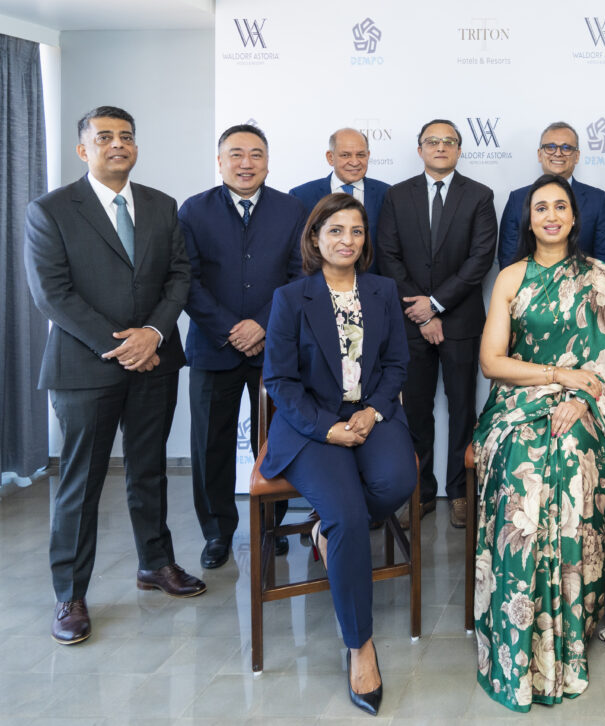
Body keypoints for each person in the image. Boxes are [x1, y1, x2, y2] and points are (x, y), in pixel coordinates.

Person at [24, 106, 206, 646]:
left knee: (148, 470)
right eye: (104, 138)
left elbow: (179, 276)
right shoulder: (51, 210)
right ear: (84, 150)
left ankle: (156, 563)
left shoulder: (160, 205)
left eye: (126, 136)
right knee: (80, 485)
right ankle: (70, 594)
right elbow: (53, 296)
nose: (118, 145)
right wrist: (124, 347)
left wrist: (153, 333)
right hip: (85, 368)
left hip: (157, 360)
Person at [473, 174, 605, 712]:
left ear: (575, 219)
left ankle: (571, 634)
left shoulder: (597, 275)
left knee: (572, 455)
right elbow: (492, 363)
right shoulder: (510, 277)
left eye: (560, 207)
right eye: (540, 208)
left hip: (588, 404)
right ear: (528, 221)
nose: (551, 215)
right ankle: (519, 627)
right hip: (519, 403)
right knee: (523, 462)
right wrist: (558, 378)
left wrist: (586, 399)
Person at [260, 193, 417, 715]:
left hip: (370, 414)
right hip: (312, 426)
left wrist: (371, 413)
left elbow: (397, 362)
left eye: (355, 231)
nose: (346, 240)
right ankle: (360, 645)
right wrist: (329, 429)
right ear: (315, 239)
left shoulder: (383, 290)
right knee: (349, 516)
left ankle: (324, 531)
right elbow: (279, 380)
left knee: (395, 484)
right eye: (335, 231)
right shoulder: (291, 297)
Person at [180, 124, 306, 569]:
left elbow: (300, 276)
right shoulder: (193, 211)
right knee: (209, 445)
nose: (246, 163)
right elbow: (186, 280)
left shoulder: (292, 210)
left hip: (274, 347)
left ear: (268, 162)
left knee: (274, 440)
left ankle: (274, 522)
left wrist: (264, 325)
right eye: (236, 154)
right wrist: (232, 328)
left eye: (255, 155)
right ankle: (217, 533)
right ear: (220, 162)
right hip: (214, 347)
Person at [376, 119, 497, 529]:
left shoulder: (480, 196)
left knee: (463, 408)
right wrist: (420, 309)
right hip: (409, 323)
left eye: (449, 141)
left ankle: (461, 492)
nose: (441, 147)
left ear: (460, 150)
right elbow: (388, 256)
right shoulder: (396, 196)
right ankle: (420, 493)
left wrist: (437, 305)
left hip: (460, 321)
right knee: (415, 412)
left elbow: (480, 259)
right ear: (419, 148)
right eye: (433, 141)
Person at [497, 122, 605, 269]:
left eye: (566, 148)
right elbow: (509, 259)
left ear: (577, 156)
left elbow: (604, 262)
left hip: (585, 289)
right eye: (550, 147)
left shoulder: (598, 201)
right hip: (530, 289)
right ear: (540, 154)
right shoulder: (517, 199)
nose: (558, 153)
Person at [289, 128, 390, 272]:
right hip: (319, 287)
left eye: (361, 155)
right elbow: (297, 251)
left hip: (374, 287)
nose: (355, 162)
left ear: (368, 156)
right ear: (330, 157)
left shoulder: (387, 194)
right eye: (345, 155)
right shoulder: (301, 196)